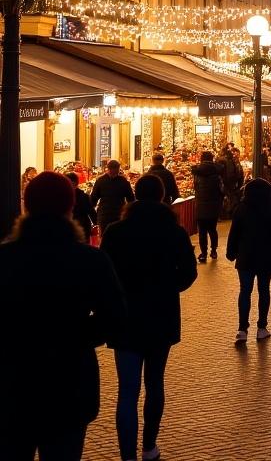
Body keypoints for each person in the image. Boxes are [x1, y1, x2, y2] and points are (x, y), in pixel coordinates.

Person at [0, 172, 126, 461]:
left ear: (27, 207)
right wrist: (77, 335)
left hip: (12, 385)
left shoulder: (5, 258)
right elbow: (116, 317)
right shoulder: (89, 260)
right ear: (70, 209)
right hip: (70, 385)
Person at [101, 174, 197, 461]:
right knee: (155, 383)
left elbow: (105, 273)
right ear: (162, 197)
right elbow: (189, 272)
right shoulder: (174, 231)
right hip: (161, 316)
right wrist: (169, 288)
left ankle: (127, 455)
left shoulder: (115, 232)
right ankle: (149, 446)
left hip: (126, 317)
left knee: (127, 390)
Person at [226, 178, 271, 344]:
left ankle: (242, 329)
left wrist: (231, 252)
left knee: (245, 291)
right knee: (264, 290)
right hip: (266, 257)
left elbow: (234, 234)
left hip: (245, 256)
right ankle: (262, 327)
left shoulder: (241, 209)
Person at [191, 150, 225, 263]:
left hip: (200, 204)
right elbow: (222, 190)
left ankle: (203, 253)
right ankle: (214, 251)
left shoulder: (197, 173)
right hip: (214, 205)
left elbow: (195, 188)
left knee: (202, 231)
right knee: (212, 229)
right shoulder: (217, 173)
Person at [91, 159, 136, 234]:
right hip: (117, 213)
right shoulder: (123, 181)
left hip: (105, 213)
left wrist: (93, 212)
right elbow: (131, 199)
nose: (115, 171)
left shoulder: (100, 180)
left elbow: (93, 198)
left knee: (105, 237)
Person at [68, 171, 98, 243]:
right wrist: (95, 222)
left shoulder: (65, 196)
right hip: (83, 226)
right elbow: (91, 211)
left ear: (73, 183)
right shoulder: (84, 196)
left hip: (70, 226)